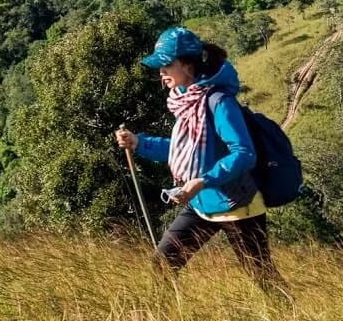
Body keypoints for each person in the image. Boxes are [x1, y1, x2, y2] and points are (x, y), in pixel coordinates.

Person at [115, 26, 285, 292]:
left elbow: (244, 153)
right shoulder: (184, 100)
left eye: (166, 65)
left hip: (237, 204)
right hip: (201, 203)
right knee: (163, 264)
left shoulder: (219, 102)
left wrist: (203, 181)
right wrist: (140, 143)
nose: (161, 73)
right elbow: (186, 149)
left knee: (262, 276)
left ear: (187, 65)